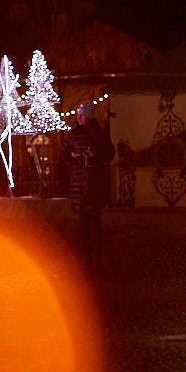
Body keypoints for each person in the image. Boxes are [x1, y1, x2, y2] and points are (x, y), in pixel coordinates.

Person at [61, 101, 116, 271]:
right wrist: (73, 155)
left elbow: (110, 153)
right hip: (80, 185)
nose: (79, 118)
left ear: (88, 116)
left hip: (94, 184)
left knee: (95, 224)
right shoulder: (74, 134)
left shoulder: (99, 134)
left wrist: (96, 156)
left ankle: (96, 259)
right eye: (78, 115)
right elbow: (64, 154)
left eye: (82, 115)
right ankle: (87, 259)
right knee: (84, 226)